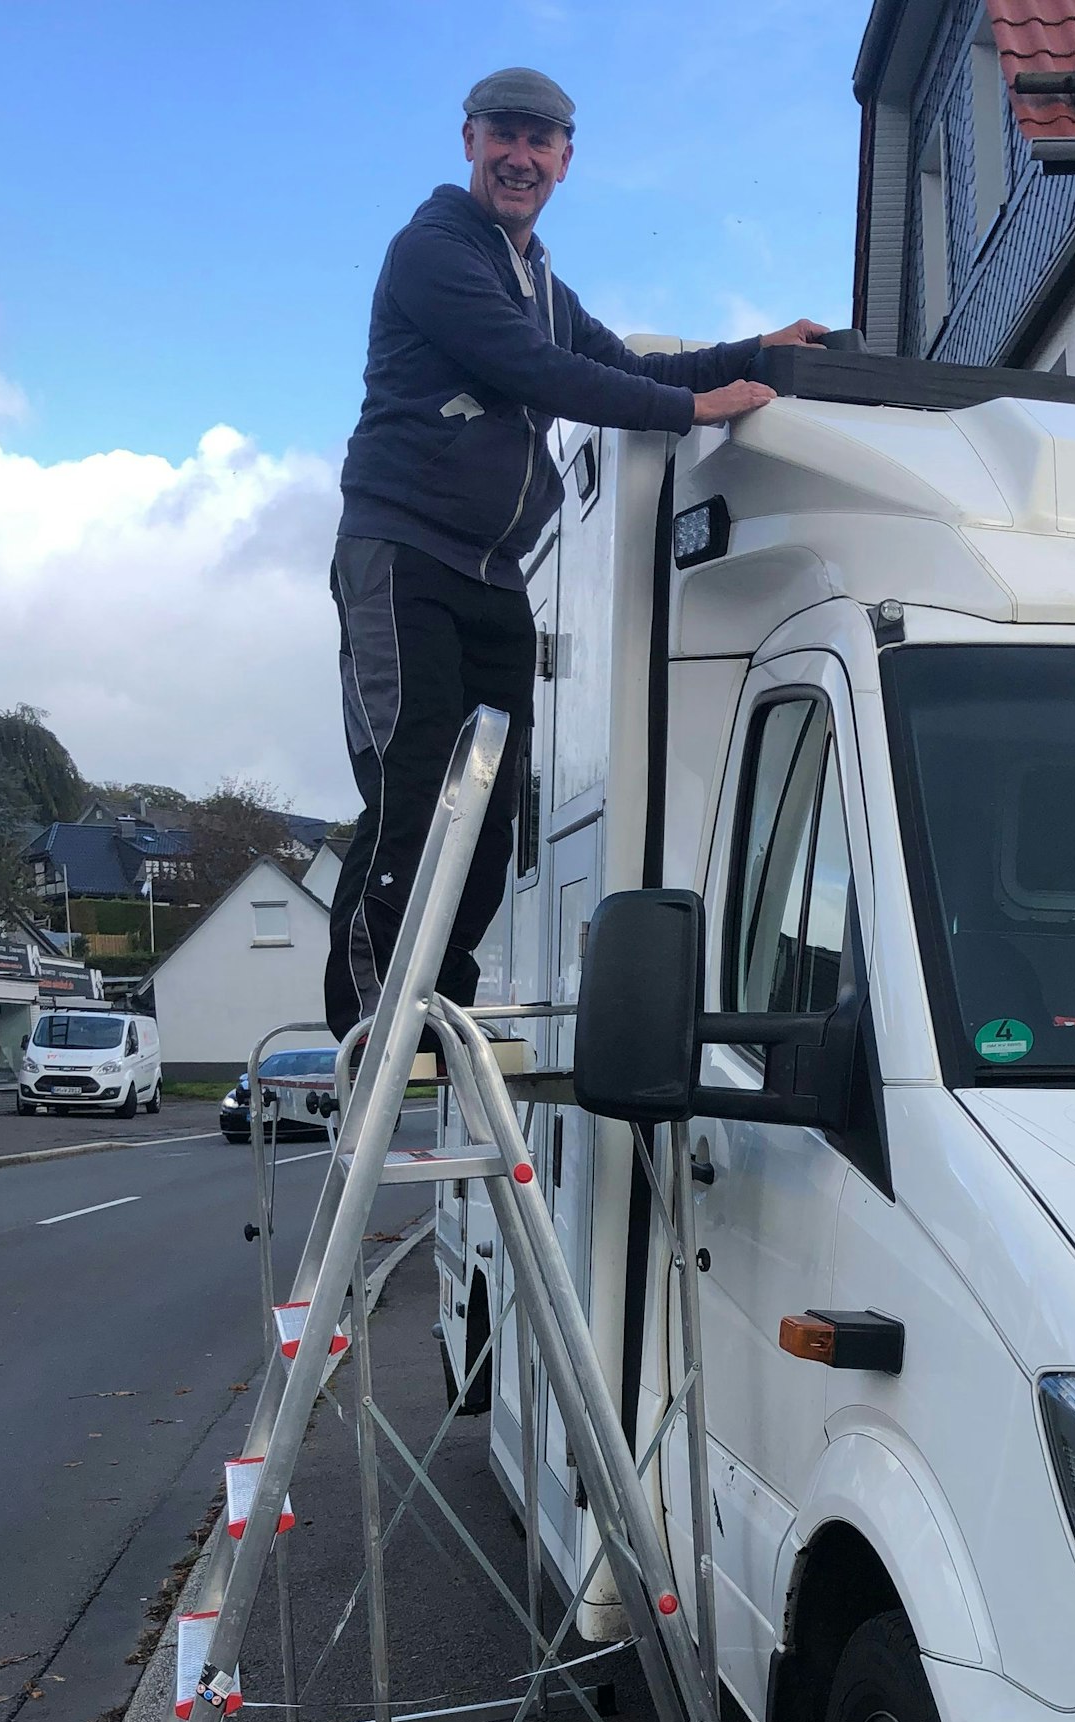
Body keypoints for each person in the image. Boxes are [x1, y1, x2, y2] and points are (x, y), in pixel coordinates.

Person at [324, 64, 827, 1039]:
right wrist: (693, 410)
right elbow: (534, 371)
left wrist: (757, 355)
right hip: (402, 555)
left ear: (564, 159)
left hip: (491, 570)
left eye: (538, 140)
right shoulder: (435, 251)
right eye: (502, 134)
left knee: (494, 802)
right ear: (467, 139)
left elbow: (622, 370)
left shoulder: (539, 283)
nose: (519, 155)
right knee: (414, 781)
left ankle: (437, 998)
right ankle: (369, 1018)